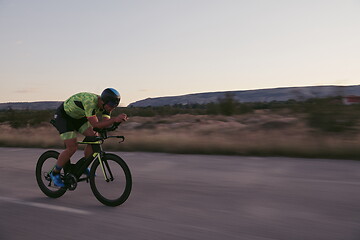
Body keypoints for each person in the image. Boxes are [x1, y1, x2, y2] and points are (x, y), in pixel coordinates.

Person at [50, 88, 128, 187]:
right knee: (72, 147)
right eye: (112, 105)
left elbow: (104, 124)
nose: (112, 108)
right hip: (64, 117)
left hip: (78, 118)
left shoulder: (107, 107)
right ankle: (55, 173)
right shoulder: (90, 102)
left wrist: (117, 121)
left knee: (94, 137)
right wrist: (114, 119)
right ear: (104, 101)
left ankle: (83, 166)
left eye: (115, 106)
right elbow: (96, 125)